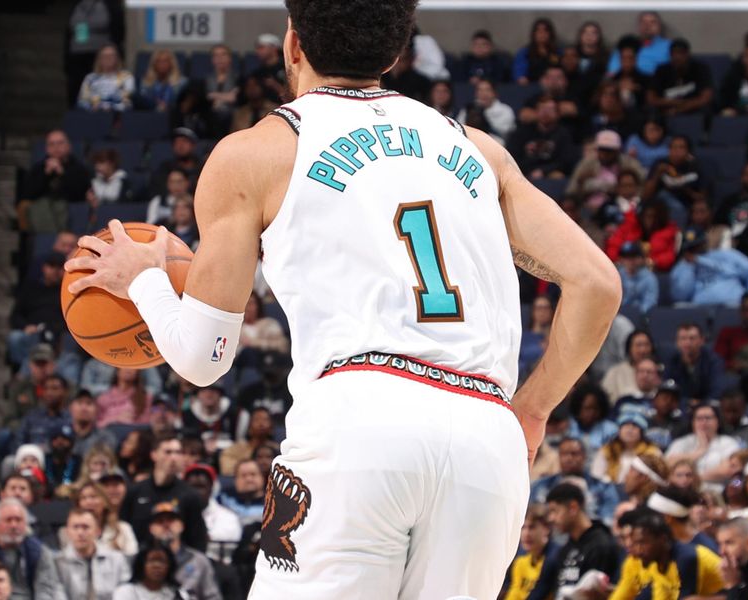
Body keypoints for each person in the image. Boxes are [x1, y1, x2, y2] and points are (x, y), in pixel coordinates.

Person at [63, 0, 622, 596]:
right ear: (395, 52)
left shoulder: (255, 153)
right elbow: (598, 284)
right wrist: (532, 411)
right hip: (486, 439)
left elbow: (203, 358)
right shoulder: (479, 150)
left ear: (293, 44)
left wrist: (144, 278)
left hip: (361, 419)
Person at [527, 483, 620, 600]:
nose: (551, 518)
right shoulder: (565, 549)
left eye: (554, 511)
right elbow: (542, 589)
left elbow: (595, 595)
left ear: (573, 508)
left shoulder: (601, 545)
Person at [120, 433, 207, 552]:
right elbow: (124, 531)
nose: (173, 457)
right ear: (154, 455)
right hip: (139, 560)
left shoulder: (190, 496)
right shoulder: (135, 492)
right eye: (168, 452)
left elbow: (198, 540)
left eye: (178, 452)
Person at [0, 498, 63, 600]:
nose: (14, 525)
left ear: (26, 524)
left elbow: (45, 589)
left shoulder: (40, 552)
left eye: (18, 520)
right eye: (8, 520)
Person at [631, 509, 724, 597]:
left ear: (663, 539)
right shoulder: (659, 563)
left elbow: (685, 597)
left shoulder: (686, 558)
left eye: (642, 543)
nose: (638, 550)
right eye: (635, 544)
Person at [671, 225, 748, 307]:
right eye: (691, 248)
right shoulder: (683, 266)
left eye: (698, 244)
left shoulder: (727, 255)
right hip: (700, 309)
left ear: (704, 242)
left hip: (733, 305)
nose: (696, 249)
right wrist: (689, 267)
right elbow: (680, 296)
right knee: (679, 306)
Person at [530, 437, 620, 524]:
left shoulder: (603, 487)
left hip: (589, 535)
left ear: (584, 456)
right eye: (564, 454)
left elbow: (608, 521)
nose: (569, 458)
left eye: (574, 454)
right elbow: (532, 517)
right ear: (559, 457)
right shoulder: (541, 486)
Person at [147, 501, 221, 600]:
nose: (165, 525)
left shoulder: (198, 561)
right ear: (151, 528)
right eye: (160, 521)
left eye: (171, 520)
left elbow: (213, 597)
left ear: (181, 525)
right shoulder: (142, 561)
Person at [54, 508, 130, 600]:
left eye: (85, 527)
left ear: (98, 531)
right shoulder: (57, 562)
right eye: (75, 527)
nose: (80, 533)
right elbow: (57, 595)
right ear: (67, 532)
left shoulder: (117, 559)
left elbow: (125, 593)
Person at [7, 253, 67, 369]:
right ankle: (24, 373)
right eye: (51, 266)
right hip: (33, 334)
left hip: (57, 336)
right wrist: (26, 327)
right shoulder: (31, 288)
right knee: (15, 337)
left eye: (59, 267)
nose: (55, 270)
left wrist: (51, 329)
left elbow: (71, 319)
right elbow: (15, 316)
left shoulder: (67, 291)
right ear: (44, 267)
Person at [566, 130, 645, 212]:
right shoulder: (587, 164)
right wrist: (581, 183)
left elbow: (643, 186)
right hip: (587, 209)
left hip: (620, 209)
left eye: (609, 150)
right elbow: (571, 191)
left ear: (617, 150)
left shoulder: (629, 163)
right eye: (602, 149)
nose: (605, 154)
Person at [666, 404, 740, 488]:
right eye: (699, 418)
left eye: (708, 418)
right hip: (684, 492)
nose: (704, 422)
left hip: (717, 493)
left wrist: (694, 478)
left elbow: (727, 470)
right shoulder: (682, 442)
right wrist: (699, 451)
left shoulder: (728, 443)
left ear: (717, 421)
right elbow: (668, 464)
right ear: (693, 422)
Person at [643, 135, 707, 229]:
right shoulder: (660, 164)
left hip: (686, 205)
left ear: (688, 151)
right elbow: (646, 195)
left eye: (681, 147)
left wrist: (683, 187)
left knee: (679, 208)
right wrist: (657, 173)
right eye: (673, 147)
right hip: (661, 206)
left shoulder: (695, 167)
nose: (676, 151)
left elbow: (702, 197)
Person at [184, 464, 242, 566]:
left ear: (212, 488)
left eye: (201, 487)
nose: (196, 492)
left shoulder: (228, 517)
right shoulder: (178, 515)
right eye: (192, 487)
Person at [507, 95, 577, 180]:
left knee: (558, 176)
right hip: (524, 172)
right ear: (536, 112)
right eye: (542, 109)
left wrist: (543, 171)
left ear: (557, 114)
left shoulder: (563, 134)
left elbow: (565, 161)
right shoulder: (522, 132)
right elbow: (512, 156)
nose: (545, 113)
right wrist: (529, 171)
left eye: (550, 110)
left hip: (550, 173)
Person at [606, 198, 679, 272]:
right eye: (647, 216)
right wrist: (621, 260)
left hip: (653, 271)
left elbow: (670, 256)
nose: (651, 220)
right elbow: (613, 245)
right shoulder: (630, 226)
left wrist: (652, 261)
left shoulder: (668, 231)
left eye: (654, 217)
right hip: (624, 268)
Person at [647, 38, 714, 117]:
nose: (677, 57)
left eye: (681, 53)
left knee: (707, 109)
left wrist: (679, 110)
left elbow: (705, 98)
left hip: (692, 109)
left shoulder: (700, 69)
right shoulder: (662, 70)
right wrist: (674, 103)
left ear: (688, 54)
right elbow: (651, 99)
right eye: (674, 53)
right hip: (666, 110)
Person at [503, 504, 556, 600]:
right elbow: (513, 595)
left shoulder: (556, 559)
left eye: (532, 527)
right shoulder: (520, 562)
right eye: (523, 528)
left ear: (547, 529)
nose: (526, 533)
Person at [592, 411, 661, 484]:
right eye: (626, 425)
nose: (629, 430)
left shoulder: (653, 452)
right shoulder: (607, 450)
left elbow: (658, 479)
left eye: (635, 426)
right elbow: (596, 476)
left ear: (642, 432)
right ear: (619, 430)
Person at [664, 323, 727, 403]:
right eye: (683, 338)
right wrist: (687, 403)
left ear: (702, 340)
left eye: (692, 338)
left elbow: (717, 391)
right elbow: (667, 390)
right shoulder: (671, 361)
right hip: (680, 406)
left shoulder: (714, 361)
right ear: (677, 342)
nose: (687, 343)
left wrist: (700, 405)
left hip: (707, 407)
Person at [607, 12, 671, 76]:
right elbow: (613, 71)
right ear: (639, 26)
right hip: (628, 81)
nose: (647, 26)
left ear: (659, 26)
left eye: (653, 22)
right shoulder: (626, 44)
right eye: (644, 22)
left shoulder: (669, 46)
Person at [113, 541, 182, 600]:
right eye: (151, 560)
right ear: (141, 564)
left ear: (170, 566)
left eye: (162, 561)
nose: (157, 566)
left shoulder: (176, 593)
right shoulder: (126, 591)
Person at [601, 330, 655, 405]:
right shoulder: (615, 372)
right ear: (629, 349)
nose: (643, 350)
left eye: (646, 345)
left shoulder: (658, 370)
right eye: (638, 345)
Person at [148, 128, 203, 200]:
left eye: (184, 141)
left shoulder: (203, 168)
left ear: (193, 145)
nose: (180, 146)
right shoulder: (165, 168)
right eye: (176, 142)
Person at [457, 79, 516, 145]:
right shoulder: (468, 109)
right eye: (480, 90)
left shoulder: (505, 110)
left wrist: (483, 119)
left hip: (497, 144)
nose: (483, 94)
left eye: (487, 90)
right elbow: (458, 129)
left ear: (495, 93)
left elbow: (505, 132)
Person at [77, 43, 134, 112]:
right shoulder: (90, 78)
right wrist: (93, 108)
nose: (108, 58)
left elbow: (128, 100)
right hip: (93, 116)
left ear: (117, 58)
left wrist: (108, 105)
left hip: (118, 116)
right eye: (105, 56)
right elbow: (82, 100)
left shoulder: (126, 76)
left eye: (111, 55)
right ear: (99, 59)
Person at [568, 383, 618, 453]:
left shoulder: (611, 430)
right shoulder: (569, 428)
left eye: (595, 408)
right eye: (587, 408)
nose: (592, 413)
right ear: (578, 408)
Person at [609, 35, 653, 112]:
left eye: (630, 58)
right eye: (624, 58)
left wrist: (637, 89)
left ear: (635, 59)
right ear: (620, 59)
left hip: (639, 116)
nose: (627, 62)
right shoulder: (613, 79)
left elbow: (650, 103)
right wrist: (617, 87)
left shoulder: (646, 79)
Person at [217, 459, 266, 527]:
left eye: (253, 474)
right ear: (235, 480)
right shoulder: (223, 500)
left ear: (262, 478)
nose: (249, 479)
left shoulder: (275, 504)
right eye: (243, 475)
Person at [204, 44, 240, 137]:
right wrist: (226, 97)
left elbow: (234, 98)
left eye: (223, 54)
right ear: (212, 60)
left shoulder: (238, 78)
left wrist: (213, 95)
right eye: (216, 55)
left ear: (230, 58)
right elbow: (205, 97)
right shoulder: (206, 80)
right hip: (211, 120)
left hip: (231, 118)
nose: (220, 58)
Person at [513, 19, 561, 85]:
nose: (542, 34)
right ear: (534, 34)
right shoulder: (524, 52)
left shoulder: (557, 52)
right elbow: (520, 74)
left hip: (553, 85)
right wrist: (522, 79)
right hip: (531, 86)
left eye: (545, 31)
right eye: (538, 31)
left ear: (550, 34)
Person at [616, 240, 659, 314]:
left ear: (642, 259)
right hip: (618, 317)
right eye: (626, 257)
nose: (629, 261)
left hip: (639, 318)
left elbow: (650, 303)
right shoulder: (617, 275)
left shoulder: (649, 278)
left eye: (633, 257)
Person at [250, 33, 287, 104]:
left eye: (261, 48)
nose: (257, 51)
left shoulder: (286, 68)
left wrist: (275, 86)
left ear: (274, 48)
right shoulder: (258, 72)